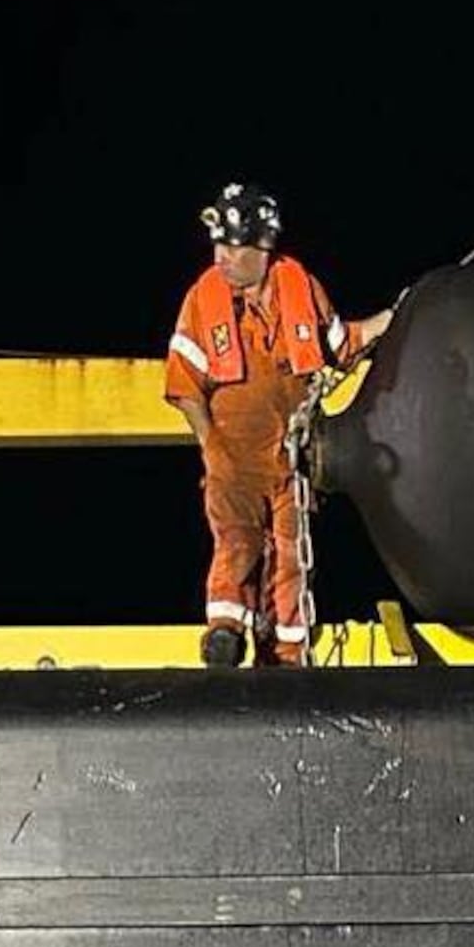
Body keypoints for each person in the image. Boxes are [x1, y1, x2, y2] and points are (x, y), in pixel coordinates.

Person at [165, 183, 393, 667]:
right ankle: (224, 633)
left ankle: (287, 654)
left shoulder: (300, 287)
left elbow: (341, 344)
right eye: (217, 245)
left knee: (291, 554)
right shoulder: (202, 299)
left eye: (232, 246)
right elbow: (184, 383)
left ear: (263, 249)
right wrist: (211, 445)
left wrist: (393, 319)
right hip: (233, 451)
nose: (221, 257)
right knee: (238, 543)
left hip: (293, 454)